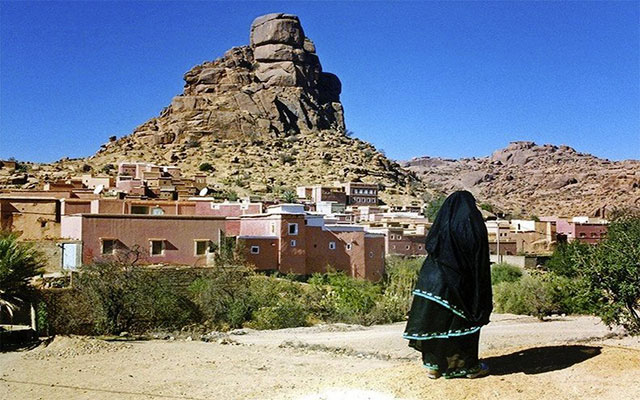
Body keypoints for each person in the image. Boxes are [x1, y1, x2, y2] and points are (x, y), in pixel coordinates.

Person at [403, 191, 492, 379]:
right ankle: (468, 367)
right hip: (458, 282)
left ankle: (434, 367)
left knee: (433, 322)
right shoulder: (473, 224)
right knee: (462, 321)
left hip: (430, 280)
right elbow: (479, 258)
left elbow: (431, 244)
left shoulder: (443, 223)